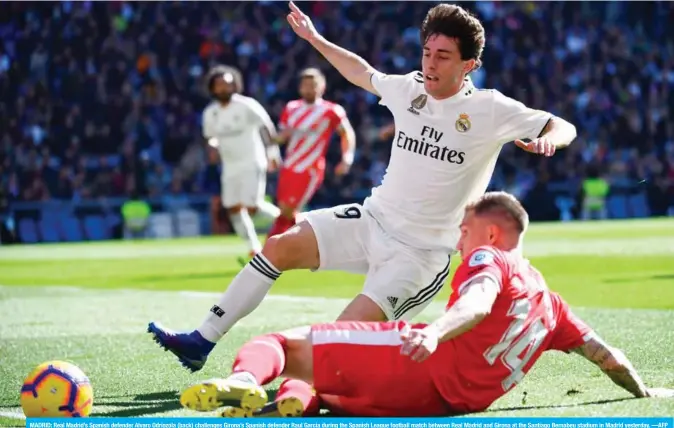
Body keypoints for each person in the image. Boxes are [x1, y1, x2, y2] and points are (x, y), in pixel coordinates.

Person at [147, 2, 577, 377]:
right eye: (427, 53)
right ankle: (201, 341)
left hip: (420, 255)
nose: (430, 64)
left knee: (334, 340)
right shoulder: (409, 88)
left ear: (469, 65)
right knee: (278, 245)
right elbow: (362, 72)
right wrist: (315, 38)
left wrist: (548, 140)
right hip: (372, 221)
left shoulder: (490, 109)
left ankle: (289, 392)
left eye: (443, 57)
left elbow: (563, 126)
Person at [177, 192, 674, 417]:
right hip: (443, 405)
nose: (459, 238)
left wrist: (435, 331)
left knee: (279, 343)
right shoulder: (554, 306)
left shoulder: (489, 259)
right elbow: (605, 355)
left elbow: (477, 305)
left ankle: (243, 380)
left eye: (465, 228)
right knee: (333, 392)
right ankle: (292, 403)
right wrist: (642, 391)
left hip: (423, 365)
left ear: (493, 232)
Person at [201, 65, 283, 261]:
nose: (223, 88)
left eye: (227, 84)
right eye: (219, 85)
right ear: (212, 88)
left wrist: (273, 153)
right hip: (230, 165)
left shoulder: (247, 105)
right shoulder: (210, 113)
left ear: (235, 85)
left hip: (252, 160)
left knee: (252, 206)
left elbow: (266, 127)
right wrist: (212, 147)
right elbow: (210, 137)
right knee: (233, 207)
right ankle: (253, 249)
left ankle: (293, 221)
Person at [267, 67, 357, 239]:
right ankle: (316, 242)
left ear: (322, 87)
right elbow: (282, 137)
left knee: (287, 210)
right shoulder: (291, 107)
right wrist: (272, 145)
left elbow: (347, 133)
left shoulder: (331, 110)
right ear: (300, 87)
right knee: (285, 210)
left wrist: (347, 158)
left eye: (314, 84)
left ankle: (267, 251)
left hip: (310, 168)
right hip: (289, 167)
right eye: (306, 85)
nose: (310, 88)